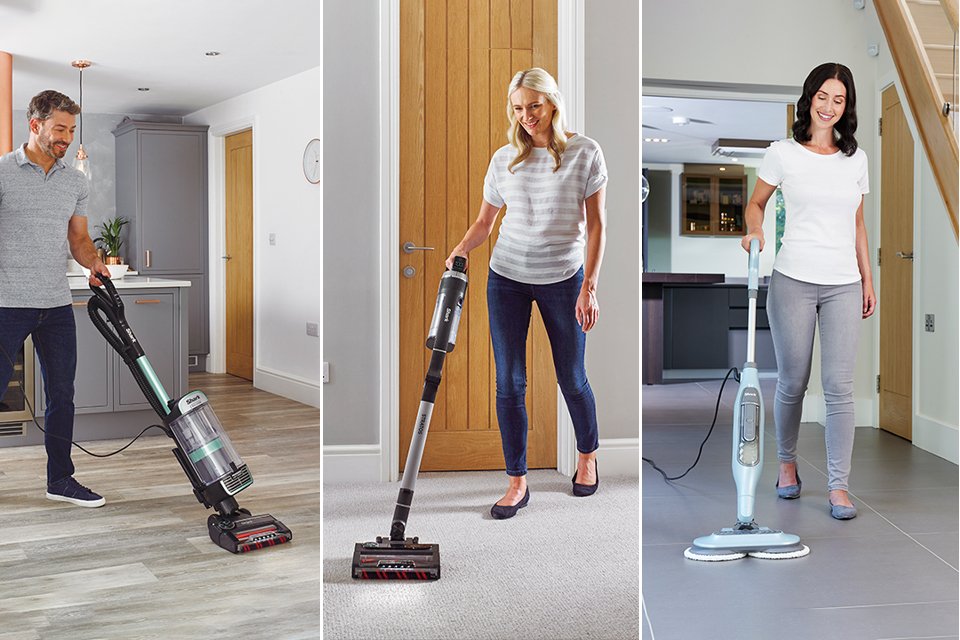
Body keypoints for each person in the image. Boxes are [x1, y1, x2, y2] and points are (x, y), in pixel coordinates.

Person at [445, 68, 607, 519]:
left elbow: (597, 226)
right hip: (508, 277)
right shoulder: (505, 159)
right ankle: (517, 482)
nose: (526, 116)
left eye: (534, 105)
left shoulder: (584, 152)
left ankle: (588, 457)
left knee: (571, 377)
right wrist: (461, 249)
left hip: (564, 277)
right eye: (518, 108)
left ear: (553, 102)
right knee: (509, 382)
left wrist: (590, 287)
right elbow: (485, 222)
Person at [741, 62, 875, 520]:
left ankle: (839, 487)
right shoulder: (783, 153)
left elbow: (858, 224)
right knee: (793, 381)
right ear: (809, 98)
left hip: (844, 284)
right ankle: (787, 464)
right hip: (793, 279)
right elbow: (756, 203)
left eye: (839, 100)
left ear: (846, 106)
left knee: (839, 388)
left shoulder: (856, 159)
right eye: (823, 97)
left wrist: (868, 279)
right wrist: (755, 230)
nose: (829, 107)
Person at [0, 90, 111, 507]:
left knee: (62, 394)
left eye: (71, 129)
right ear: (35, 125)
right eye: (59, 128)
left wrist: (93, 262)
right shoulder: (3, 172)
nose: (66, 137)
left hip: (56, 304)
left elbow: (79, 239)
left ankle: (60, 480)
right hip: (6, 303)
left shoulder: (74, 181)